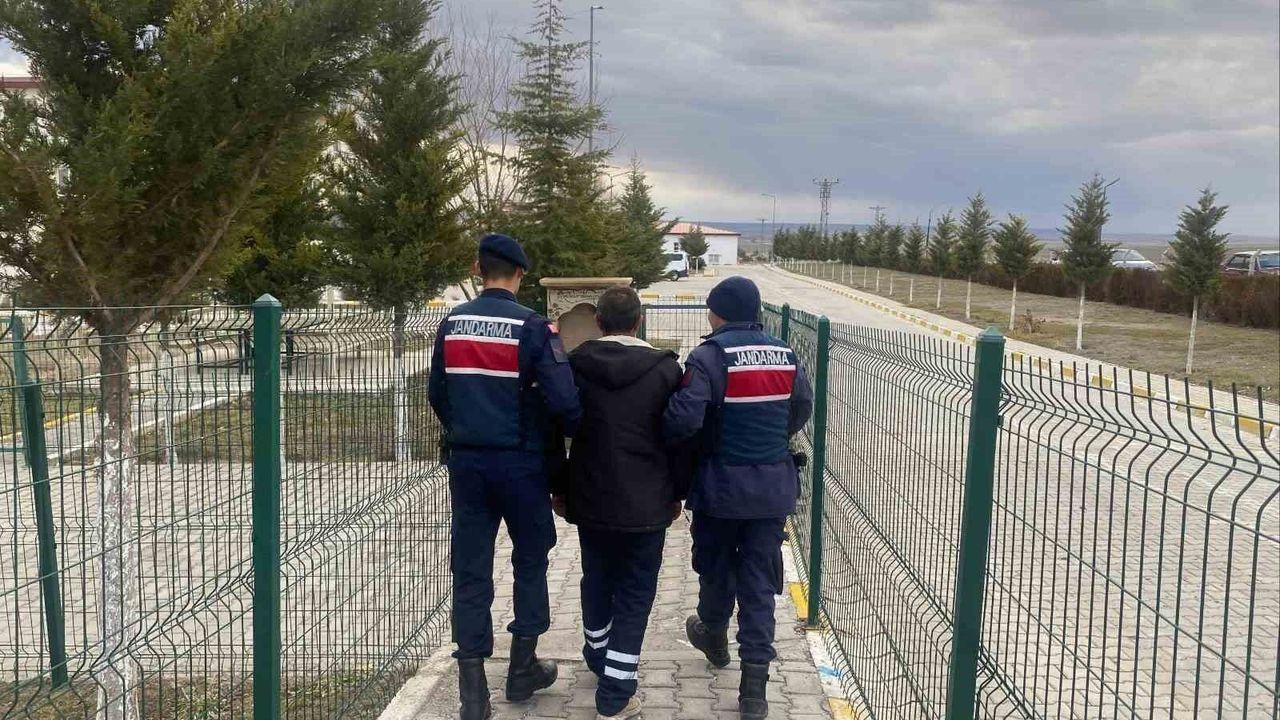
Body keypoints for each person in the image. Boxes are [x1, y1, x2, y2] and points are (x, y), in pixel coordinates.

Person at [428, 233, 581, 720]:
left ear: (478, 270)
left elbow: (437, 393)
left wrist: (465, 431)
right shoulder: (533, 327)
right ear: (520, 274)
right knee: (531, 558)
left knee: (471, 568)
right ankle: (522, 668)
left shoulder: (452, 323)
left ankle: (473, 695)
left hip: (468, 464)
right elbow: (564, 402)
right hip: (521, 465)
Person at [663, 276, 814, 720]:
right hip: (771, 490)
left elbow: (684, 419)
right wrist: (771, 442)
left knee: (714, 567)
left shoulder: (709, 356)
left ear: (716, 314)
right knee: (758, 584)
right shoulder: (784, 354)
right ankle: (754, 691)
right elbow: (802, 406)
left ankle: (713, 632)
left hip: (720, 488)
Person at [548, 286, 692, 720]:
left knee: (596, 577)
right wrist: (677, 492)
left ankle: (598, 654)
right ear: (638, 321)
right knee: (635, 592)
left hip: (591, 495)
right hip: (647, 500)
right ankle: (615, 693)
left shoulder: (575, 365)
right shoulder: (666, 370)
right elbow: (680, 437)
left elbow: (555, 426)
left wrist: (560, 487)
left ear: (598, 321)